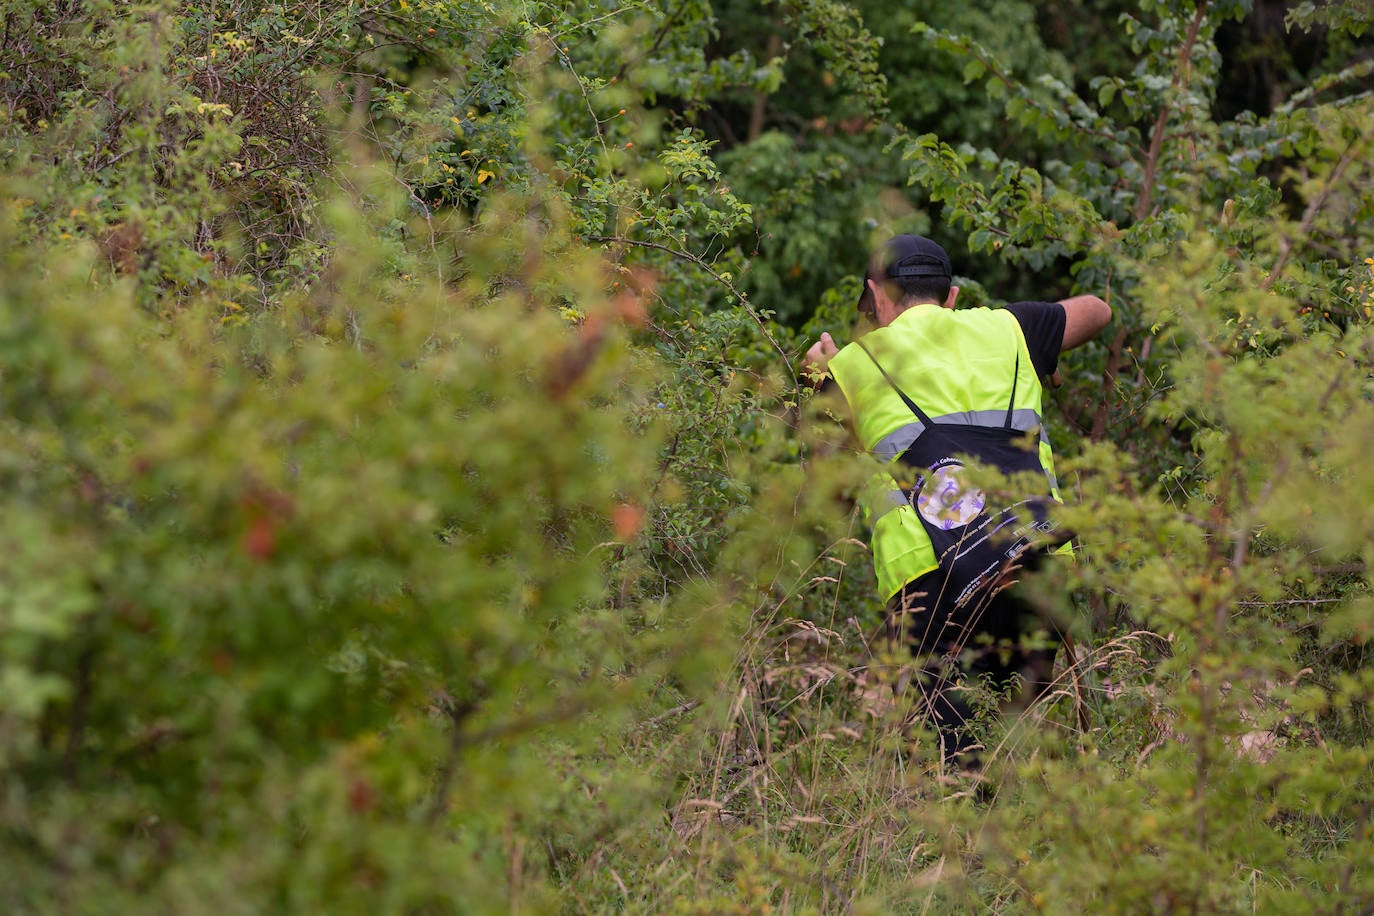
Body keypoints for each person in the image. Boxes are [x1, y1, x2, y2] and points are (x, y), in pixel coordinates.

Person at [804, 233, 1111, 770]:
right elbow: (1097, 310)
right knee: (1020, 741)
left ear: (877, 298)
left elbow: (821, 490)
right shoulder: (1008, 328)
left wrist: (818, 382)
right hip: (1036, 561)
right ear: (951, 296)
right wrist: (1040, 351)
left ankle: (966, 844)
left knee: (955, 760)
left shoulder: (850, 367)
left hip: (931, 582)